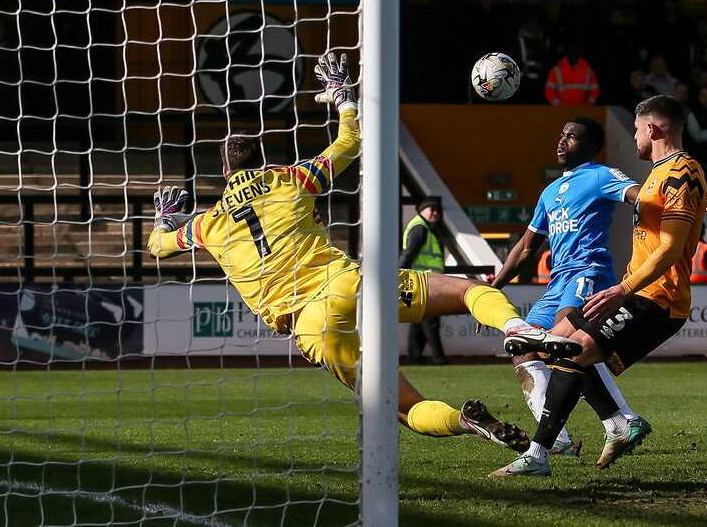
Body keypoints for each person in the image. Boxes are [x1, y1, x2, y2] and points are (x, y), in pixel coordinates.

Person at [146, 52, 581, 453]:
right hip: (349, 285)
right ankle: (516, 327)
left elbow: (158, 248)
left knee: (403, 407)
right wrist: (343, 98)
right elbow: (350, 142)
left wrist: (166, 219)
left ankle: (465, 421)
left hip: (311, 327)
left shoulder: (206, 224)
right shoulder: (292, 179)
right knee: (469, 291)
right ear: (262, 161)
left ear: (224, 172)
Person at [496, 95, 707, 476]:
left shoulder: (680, 170)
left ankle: (545, 452)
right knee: (561, 350)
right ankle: (603, 429)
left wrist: (623, 289)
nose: (634, 136)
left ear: (651, 129)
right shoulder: (660, 174)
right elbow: (661, 205)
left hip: (656, 295)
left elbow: (671, 248)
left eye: (637, 129)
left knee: (568, 350)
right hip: (635, 290)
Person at [487, 117, 648, 472]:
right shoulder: (549, 192)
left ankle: (621, 419)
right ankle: (560, 439)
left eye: (571, 137)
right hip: (557, 282)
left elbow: (641, 196)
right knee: (522, 344)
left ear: (590, 147)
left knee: (565, 342)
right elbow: (525, 248)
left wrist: (687, 200)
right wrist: (492, 289)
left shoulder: (601, 175)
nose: (562, 141)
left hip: (587, 274)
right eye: (561, 135)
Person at [400, 197, 449, 365]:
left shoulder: (423, 227)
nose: (435, 213)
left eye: (437, 210)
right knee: (431, 322)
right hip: (424, 282)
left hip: (422, 281)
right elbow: (408, 254)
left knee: (419, 322)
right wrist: (399, 274)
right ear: (422, 211)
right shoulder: (420, 228)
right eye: (432, 209)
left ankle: (416, 359)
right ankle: (439, 359)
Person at [544, 41, 600, 106]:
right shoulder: (556, 70)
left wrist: (587, 105)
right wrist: (560, 105)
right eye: (571, 51)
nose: (573, 53)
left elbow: (595, 91)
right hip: (563, 111)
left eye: (575, 51)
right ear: (567, 52)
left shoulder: (588, 70)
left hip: (581, 110)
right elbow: (549, 91)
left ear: (579, 53)